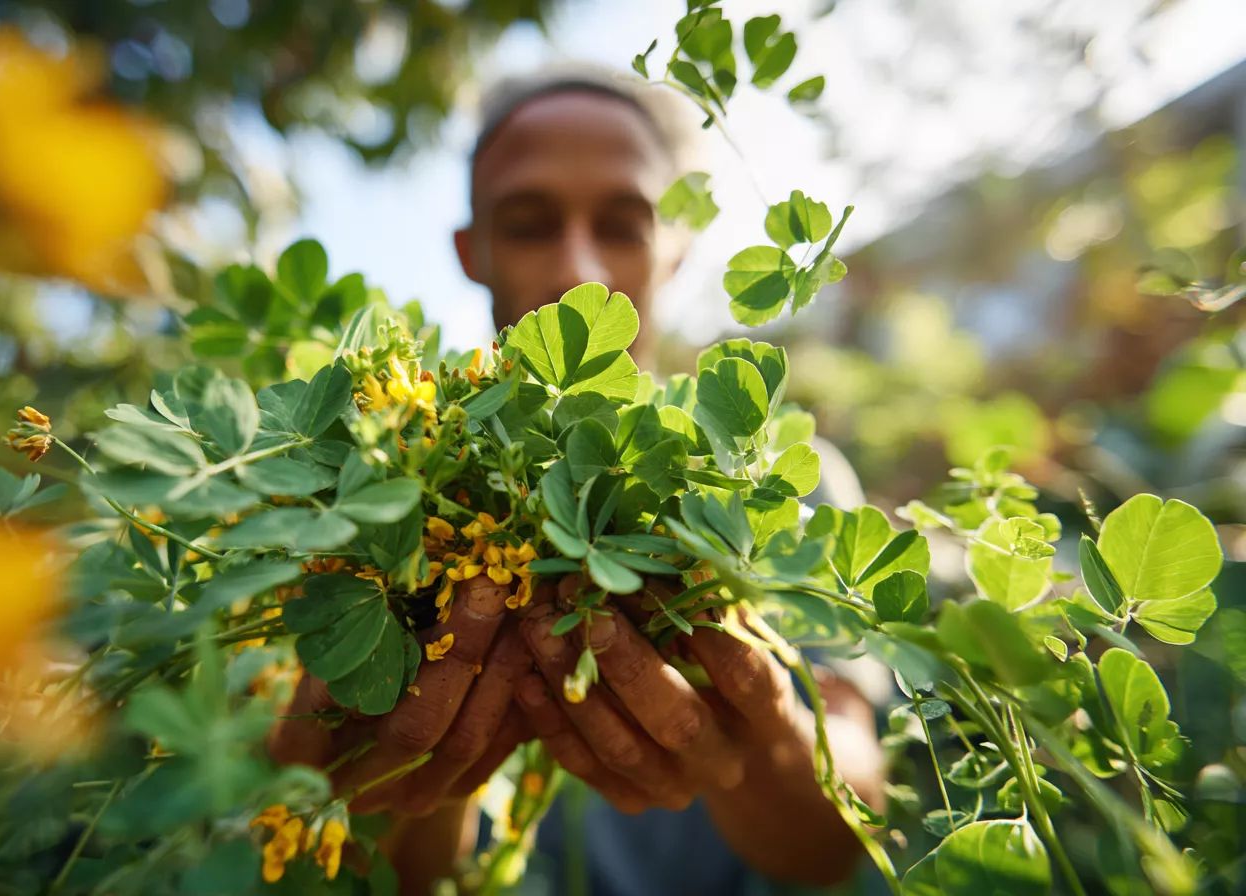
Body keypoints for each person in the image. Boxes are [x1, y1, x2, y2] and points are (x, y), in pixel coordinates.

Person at [268, 65, 885, 896]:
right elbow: (403, 875)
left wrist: (767, 744)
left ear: (676, 245)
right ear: (471, 251)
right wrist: (402, 790)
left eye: (622, 224)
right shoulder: (379, 485)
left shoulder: (773, 478)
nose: (580, 269)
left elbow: (840, 838)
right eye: (528, 225)